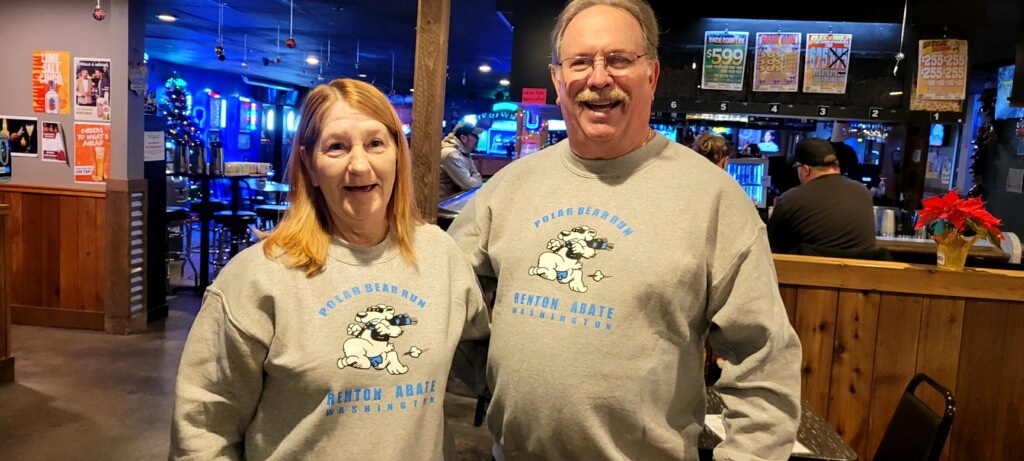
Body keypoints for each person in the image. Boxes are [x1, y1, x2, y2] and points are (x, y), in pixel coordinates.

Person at [446, 1, 802, 460]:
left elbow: (764, 364)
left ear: (651, 75)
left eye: (618, 59)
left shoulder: (715, 198)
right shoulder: (508, 187)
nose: (598, 78)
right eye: (580, 62)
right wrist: (493, 377)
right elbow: (443, 298)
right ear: (557, 78)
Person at [170, 78, 490, 460]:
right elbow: (203, 427)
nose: (360, 165)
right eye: (336, 147)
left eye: (375, 143)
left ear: (397, 154)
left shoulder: (441, 256)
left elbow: (486, 363)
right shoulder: (257, 278)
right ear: (309, 163)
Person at [767, 138, 877, 254]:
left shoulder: (790, 199)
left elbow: (769, 248)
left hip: (809, 266)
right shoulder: (863, 192)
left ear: (806, 170)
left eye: (797, 167)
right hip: (860, 266)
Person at [438, 121, 484, 200]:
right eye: (474, 135)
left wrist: (475, 179)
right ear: (463, 138)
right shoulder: (451, 154)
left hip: (455, 200)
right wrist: (475, 179)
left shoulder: (464, 153)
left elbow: (476, 177)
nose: (477, 139)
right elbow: (469, 185)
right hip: (445, 204)